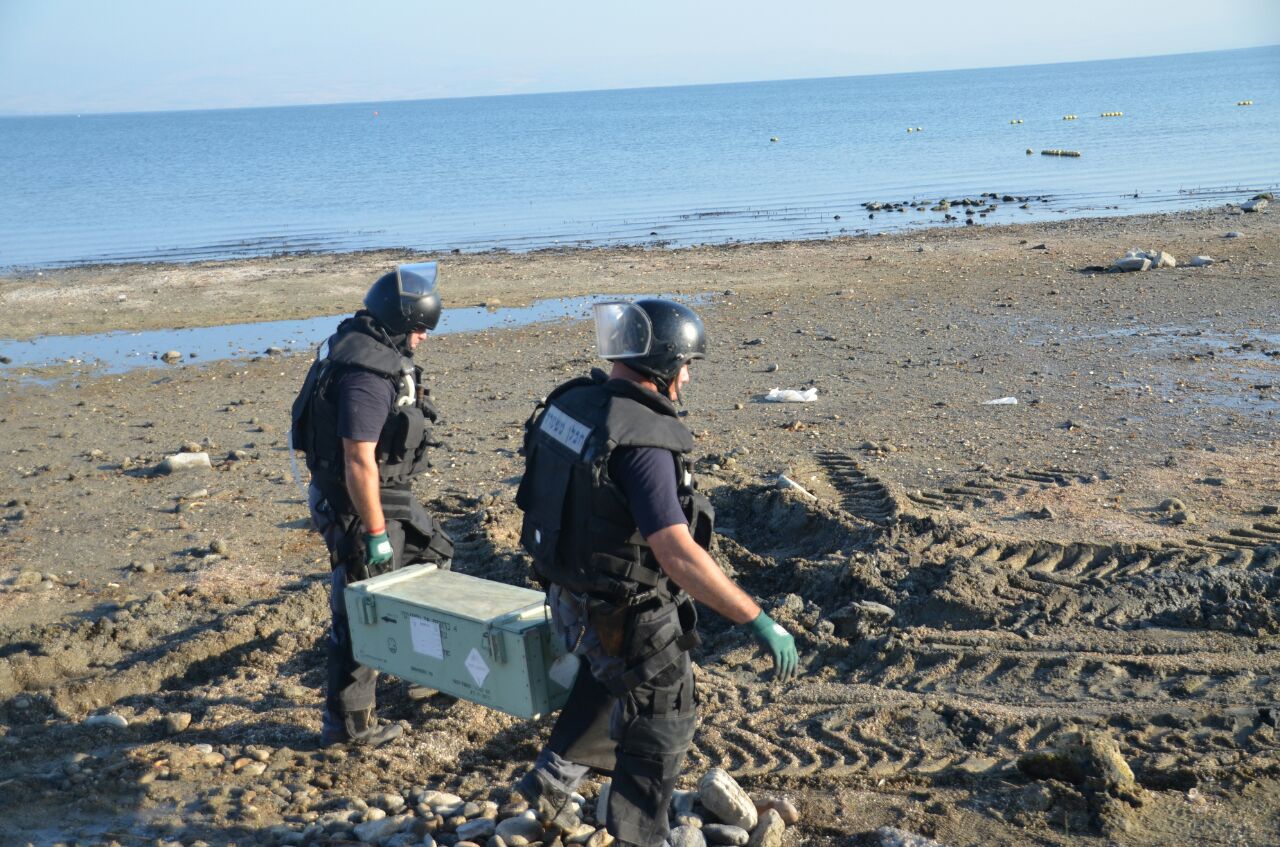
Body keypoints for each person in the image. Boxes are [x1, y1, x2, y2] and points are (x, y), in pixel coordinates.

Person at [512, 299, 800, 847]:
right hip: (626, 604)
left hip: (570, 594)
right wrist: (756, 618)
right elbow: (676, 551)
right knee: (665, 714)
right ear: (663, 363)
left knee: (605, 678)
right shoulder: (642, 439)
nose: (688, 376)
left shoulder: (573, 403)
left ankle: (547, 790)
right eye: (686, 363)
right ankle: (640, 834)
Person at [290, 262, 454, 747]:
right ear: (397, 324)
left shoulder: (359, 343)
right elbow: (358, 459)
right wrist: (376, 534)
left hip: (382, 494)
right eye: (419, 329)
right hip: (358, 501)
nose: (423, 339)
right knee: (363, 604)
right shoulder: (367, 374)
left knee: (431, 558)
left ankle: (421, 670)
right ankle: (347, 725)